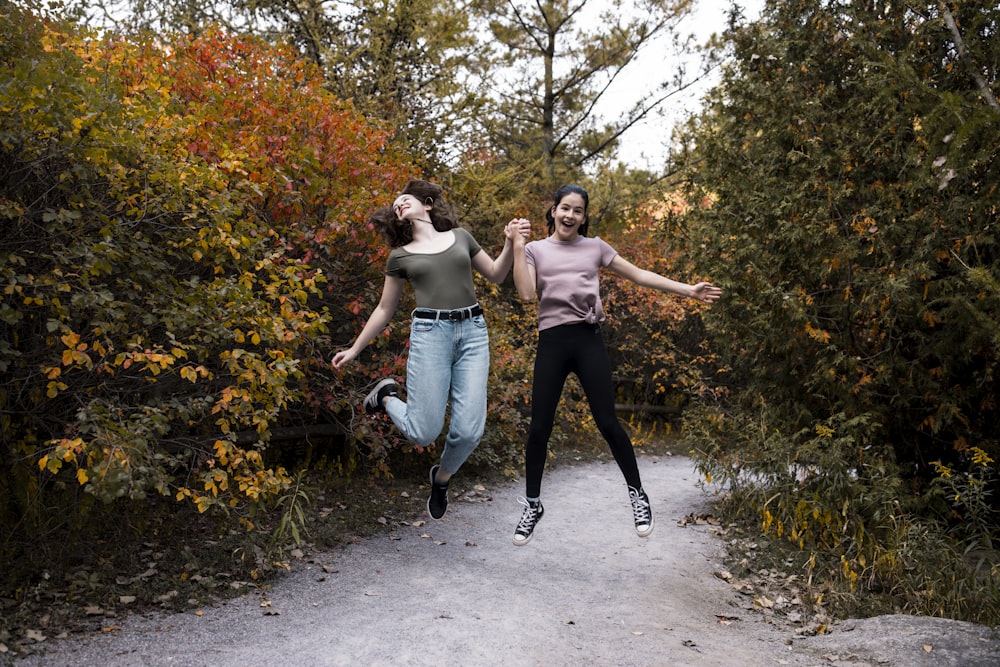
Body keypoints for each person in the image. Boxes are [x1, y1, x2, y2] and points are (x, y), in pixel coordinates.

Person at [508, 184, 722, 546]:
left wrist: (689, 290)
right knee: (539, 428)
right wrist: (515, 244)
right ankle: (532, 505)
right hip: (553, 342)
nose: (570, 215)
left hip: (588, 341)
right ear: (553, 211)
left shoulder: (595, 248)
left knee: (608, 422)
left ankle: (638, 494)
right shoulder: (534, 249)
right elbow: (527, 294)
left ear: (584, 217)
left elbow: (639, 275)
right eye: (564, 208)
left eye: (577, 210)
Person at [332, 179, 530, 521]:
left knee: (469, 431)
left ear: (426, 203)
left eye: (404, 199)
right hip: (430, 334)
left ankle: (441, 479)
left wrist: (512, 242)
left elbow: (497, 275)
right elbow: (384, 309)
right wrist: (355, 348)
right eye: (395, 207)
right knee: (423, 432)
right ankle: (385, 397)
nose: (399, 205)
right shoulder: (400, 257)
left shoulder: (461, 237)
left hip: (472, 332)